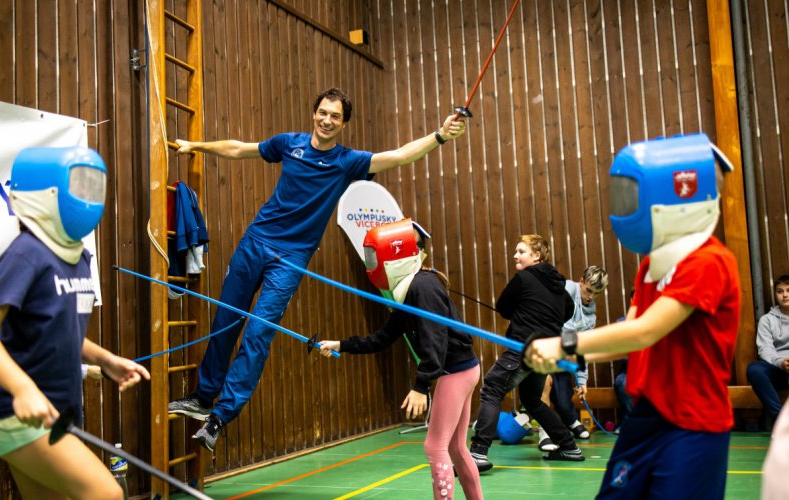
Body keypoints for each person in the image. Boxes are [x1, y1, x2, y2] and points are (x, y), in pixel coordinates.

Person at [168, 87, 467, 451]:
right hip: (254, 242)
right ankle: (203, 399)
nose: (327, 120)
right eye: (323, 113)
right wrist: (197, 147)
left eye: (335, 117)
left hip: (291, 258)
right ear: (314, 114)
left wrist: (439, 136)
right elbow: (241, 148)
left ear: (343, 124)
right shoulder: (288, 144)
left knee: (258, 335)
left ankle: (221, 416)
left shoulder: (348, 162)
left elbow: (401, 156)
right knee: (226, 322)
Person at [524, 133, 739, 498]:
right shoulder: (653, 266)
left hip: (694, 425)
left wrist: (564, 345)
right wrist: (566, 358)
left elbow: (645, 332)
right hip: (645, 418)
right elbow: (629, 340)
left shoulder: (710, 262)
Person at [0, 147, 151, 499]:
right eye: (79, 185)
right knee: (106, 494)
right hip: (9, 410)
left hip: (50, 410)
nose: (87, 198)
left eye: (93, 187)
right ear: (45, 194)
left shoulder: (80, 257)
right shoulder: (27, 252)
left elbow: (60, 328)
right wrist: (23, 389)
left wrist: (105, 361)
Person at [318, 219, 483, 500]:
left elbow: (435, 339)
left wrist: (421, 386)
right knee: (455, 447)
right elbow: (383, 337)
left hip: (454, 371)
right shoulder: (410, 290)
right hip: (464, 369)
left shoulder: (422, 287)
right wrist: (341, 345)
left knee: (435, 447)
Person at [469, 234, 580, 473]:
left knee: (492, 389)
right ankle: (569, 446)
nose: (515, 255)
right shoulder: (559, 284)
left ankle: (477, 453)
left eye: (521, 251)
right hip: (544, 354)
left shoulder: (524, 277)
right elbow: (568, 311)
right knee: (532, 401)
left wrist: (524, 312)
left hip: (521, 348)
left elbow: (502, 307)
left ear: (537, 255)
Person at [538, 266, 608, 450]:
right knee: (544, 386)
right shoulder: (567, 288)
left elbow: (582, 349)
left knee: (563, 398)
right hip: (543, 345)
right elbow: (567, 328)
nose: (591, 297)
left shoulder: (590, 318)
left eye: (596, 293)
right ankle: (544, 433)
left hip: (562, 355)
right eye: (589, 290)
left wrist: (582, 381)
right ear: (581, 281)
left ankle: (570, 420)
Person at [746, 274, 789, 427]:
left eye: (788, 290)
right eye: (780, 291)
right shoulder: (767, 320)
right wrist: (781, 362)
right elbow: (765, 349)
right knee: (754, 369)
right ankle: (781, 423)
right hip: (778, 368)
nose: (785, 295)